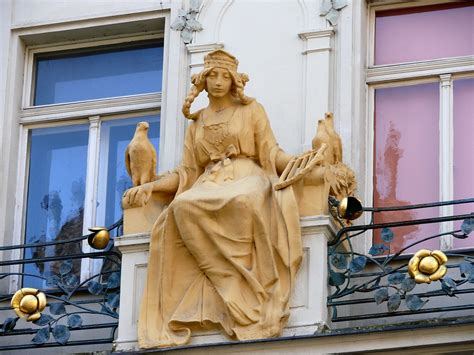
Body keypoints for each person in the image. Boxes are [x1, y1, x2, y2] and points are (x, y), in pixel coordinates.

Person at [124, 50, 308, 349]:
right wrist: (152, 187)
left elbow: (271, 153)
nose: (219, 81)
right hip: (208, 182)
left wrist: (299, 164)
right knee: (182, 206)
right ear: (203, 81)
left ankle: (249, 290)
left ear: (234, 80)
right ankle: (227, 285)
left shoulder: (252, 111)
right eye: (212, 75)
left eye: (225, 76)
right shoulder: (197, 122)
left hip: (247, 176)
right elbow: (186, 172)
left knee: (244, 200)